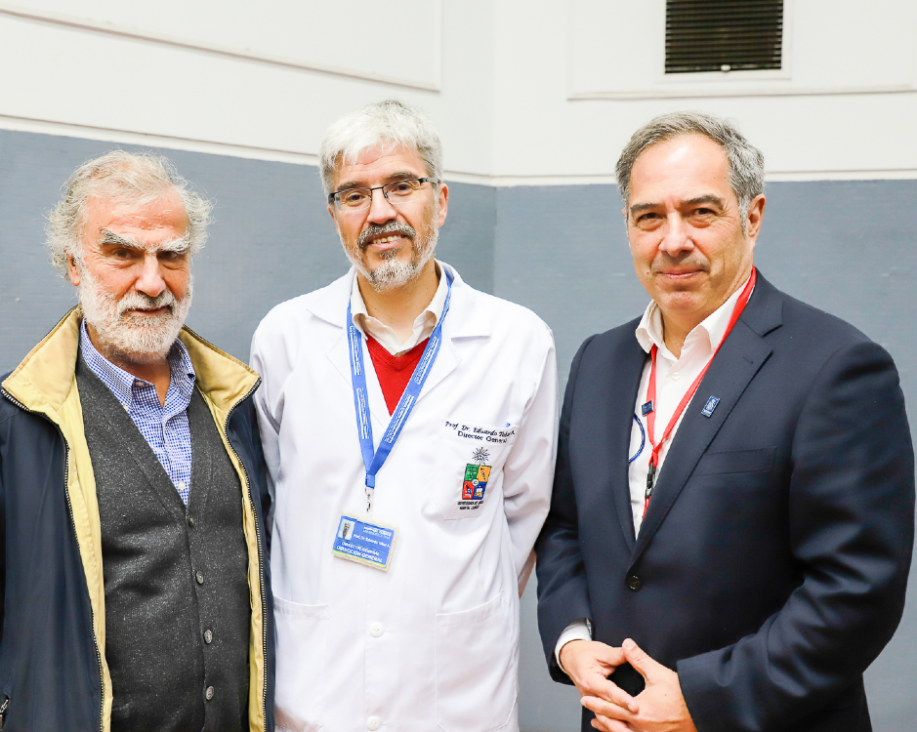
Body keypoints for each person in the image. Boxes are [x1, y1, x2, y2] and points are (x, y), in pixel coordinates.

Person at [534, 111, 915, 732]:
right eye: (649, 216)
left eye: (701, 212)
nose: (673, 239)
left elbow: (856, 591)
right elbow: (568, 529)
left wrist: (701, 700)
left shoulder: (837, 366)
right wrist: (572, 640)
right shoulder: (599, 360)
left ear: (753, 216)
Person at [0, 151, 274, 732]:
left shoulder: (235, 409)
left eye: (172, 255)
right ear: (73, 263)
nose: (152, 281)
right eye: (122, 253)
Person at [250, 99, 557, 732]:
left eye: (400, 186)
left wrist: (450, 590)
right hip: (315, 689)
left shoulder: (517, 342)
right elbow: (269, 502)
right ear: (333, 214)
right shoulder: (284, 338)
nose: (379, 211)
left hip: (457, 691)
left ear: (440, 201)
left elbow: (526, 513)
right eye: (353, 194)